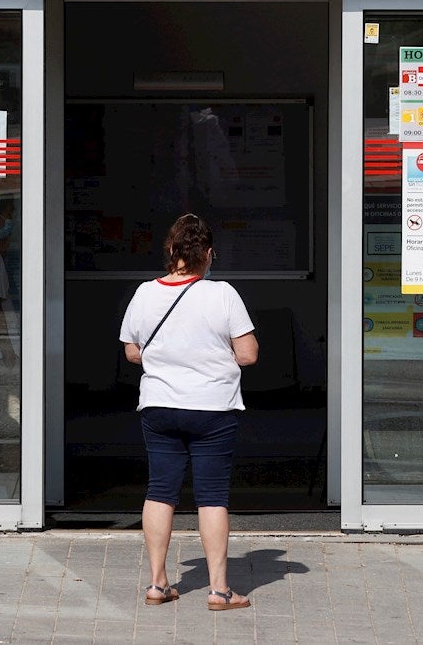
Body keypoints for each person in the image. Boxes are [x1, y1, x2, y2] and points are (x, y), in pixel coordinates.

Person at [119, 213, 259, 611]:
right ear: (209, 254)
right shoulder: (223, 295)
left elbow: (132, 351)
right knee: (212, 496)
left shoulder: (145, 293)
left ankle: (158, 584)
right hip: (212, 408)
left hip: (160, 406)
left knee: (160, 491)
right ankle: (219, 591)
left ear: (170, 252)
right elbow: (247, 355)